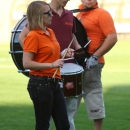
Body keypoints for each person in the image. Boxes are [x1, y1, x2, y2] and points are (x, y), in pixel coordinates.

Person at [19, 0, 82, 130]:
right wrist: (52, 64)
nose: (51, 15)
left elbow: (48, 54)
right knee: (43, 125)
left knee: (64, 125)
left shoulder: (50, 32)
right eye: (48, 13)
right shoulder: (33, 36)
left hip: (54, 83)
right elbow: (26, 63)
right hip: (40, 85)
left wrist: (62, 53)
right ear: (38, 16)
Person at [76, 0, 118, 130]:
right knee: (70, 99)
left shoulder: (102, 14)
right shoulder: (79, 15)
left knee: (94, 97)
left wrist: (95, 56)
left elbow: (112, 37)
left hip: (92, 63)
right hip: (77, 62)